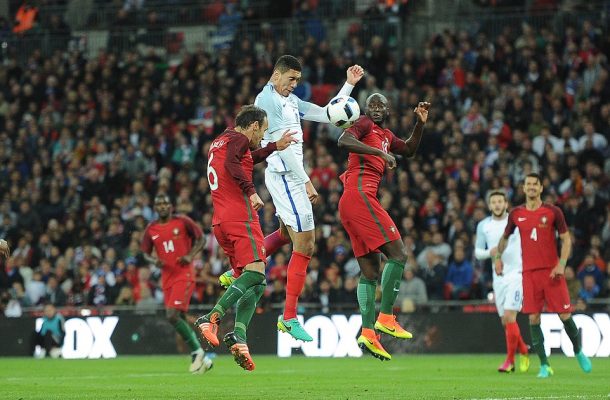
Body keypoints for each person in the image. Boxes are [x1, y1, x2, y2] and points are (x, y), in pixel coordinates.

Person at [220, 55, 364, 342]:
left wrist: (348, 85)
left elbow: (326, 114)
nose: (294, 85)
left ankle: (235, 271)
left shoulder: (291, 101)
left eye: (297, 80)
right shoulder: (269, 102)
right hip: (288, 177)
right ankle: (288, 317)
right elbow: (280, 148)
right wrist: (306, 181)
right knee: (306, 243)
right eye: (291, 79)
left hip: (290, 177)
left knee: (286, 234)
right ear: (276, 75)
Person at [195, 105, 296, 371]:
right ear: (252, 126)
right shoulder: (238, 140)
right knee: (258, 273)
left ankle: (239, 337)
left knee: (255, 284)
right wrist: (251, 191)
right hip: (240, 216)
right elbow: (234, 163)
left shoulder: (222, 140)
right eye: (261, 131)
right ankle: (212, 316)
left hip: (221, 220)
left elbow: (246, 157)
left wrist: (275, 146)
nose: (261, 137)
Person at [336, 93, 430, 360]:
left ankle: (367, 332)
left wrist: (420, 123)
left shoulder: (387, 134)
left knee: (369, 272)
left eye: (380, 106)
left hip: (352, 202)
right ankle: (386, 317)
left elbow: (409, 149)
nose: (375, 109)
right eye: (372, 105)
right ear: (366, 109)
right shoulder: (364, 124)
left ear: (388, 110)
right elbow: (344, 140)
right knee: (399, 254)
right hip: (359, 196)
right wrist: (378, 151)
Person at [496, 173, 592, 378]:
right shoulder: (516, 214)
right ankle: (544, 365)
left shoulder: (552, 211)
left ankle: (578, 351)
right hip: (529, 274)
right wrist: (497, 257)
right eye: (528, 184)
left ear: (540, 188)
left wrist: (562, 263)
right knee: (533, 318)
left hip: (552, 273)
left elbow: (566, 240)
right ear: (523, 188)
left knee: (565, 315)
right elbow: (504, 238)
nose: (531, 187)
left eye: (535, 184)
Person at [141, 193, 212, 374]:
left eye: (165, 203)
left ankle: (196, 352)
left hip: (184, 274)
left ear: (171, 206)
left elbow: (201, 239)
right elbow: (145, 252)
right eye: (159, 204)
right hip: (167, 278)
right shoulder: (151, 229)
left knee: (171, 315)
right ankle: (203, 358)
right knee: (177, 316)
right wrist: (152, 260)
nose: (163, 206)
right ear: (155, 208)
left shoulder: (183, 221)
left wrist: (190, 255)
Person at [475, 190, 530, 373]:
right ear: (490, 205)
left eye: (500, 201)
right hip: (498, 277)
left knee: (509, 317)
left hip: (516, 274)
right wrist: (490, 252)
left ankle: (509, 361)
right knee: (505, 322)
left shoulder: (515, 221)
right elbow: (477, 252)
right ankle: (523, 350)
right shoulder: (484, 226)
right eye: (494, 202)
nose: (497, 204)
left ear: (506, 204)